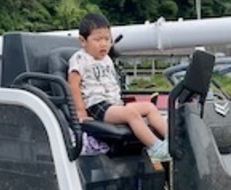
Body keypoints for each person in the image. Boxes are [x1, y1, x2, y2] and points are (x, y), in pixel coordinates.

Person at [68, 12, 171, 162]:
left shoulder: (107, 59)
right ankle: (156, 148)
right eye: (98, 39)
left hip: (114, 104)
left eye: (107, 39)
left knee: (149, 107)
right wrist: (80, 111)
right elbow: (73, 85)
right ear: (83, 41)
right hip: (98, 106)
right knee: (130, 113)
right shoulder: (80, 58)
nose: (104, 44)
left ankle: (172, 139)